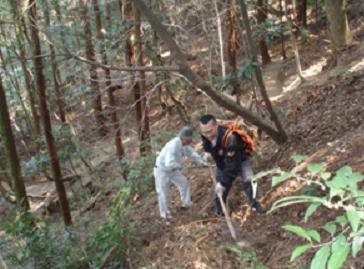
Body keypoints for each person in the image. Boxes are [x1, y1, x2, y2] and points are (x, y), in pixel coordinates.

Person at [199, 114, 263, 216]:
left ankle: (257, 207)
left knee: (249, 181)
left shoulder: (231, 138)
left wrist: (223, 183)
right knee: (219, 190)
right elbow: (206, 142)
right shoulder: (205, 135)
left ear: (216, 126)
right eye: (204, 132)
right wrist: (207, 152)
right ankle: (220, 212)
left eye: (210, 131)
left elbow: (233, 167)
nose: (208, 135)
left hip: (240, 159)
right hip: (222, 161)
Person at [154, 126, 206, 220]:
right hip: (162, 170)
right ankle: (165, 214)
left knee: (183, 182)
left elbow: (192, 153)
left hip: (173, 170)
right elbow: (169, 163)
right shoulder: (173, 146)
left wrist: (201, 162)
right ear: (184, 138)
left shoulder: (184, 145)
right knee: (163, 192)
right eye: (189, 139)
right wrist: (180, 166)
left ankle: (187, 203)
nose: (191, 141)